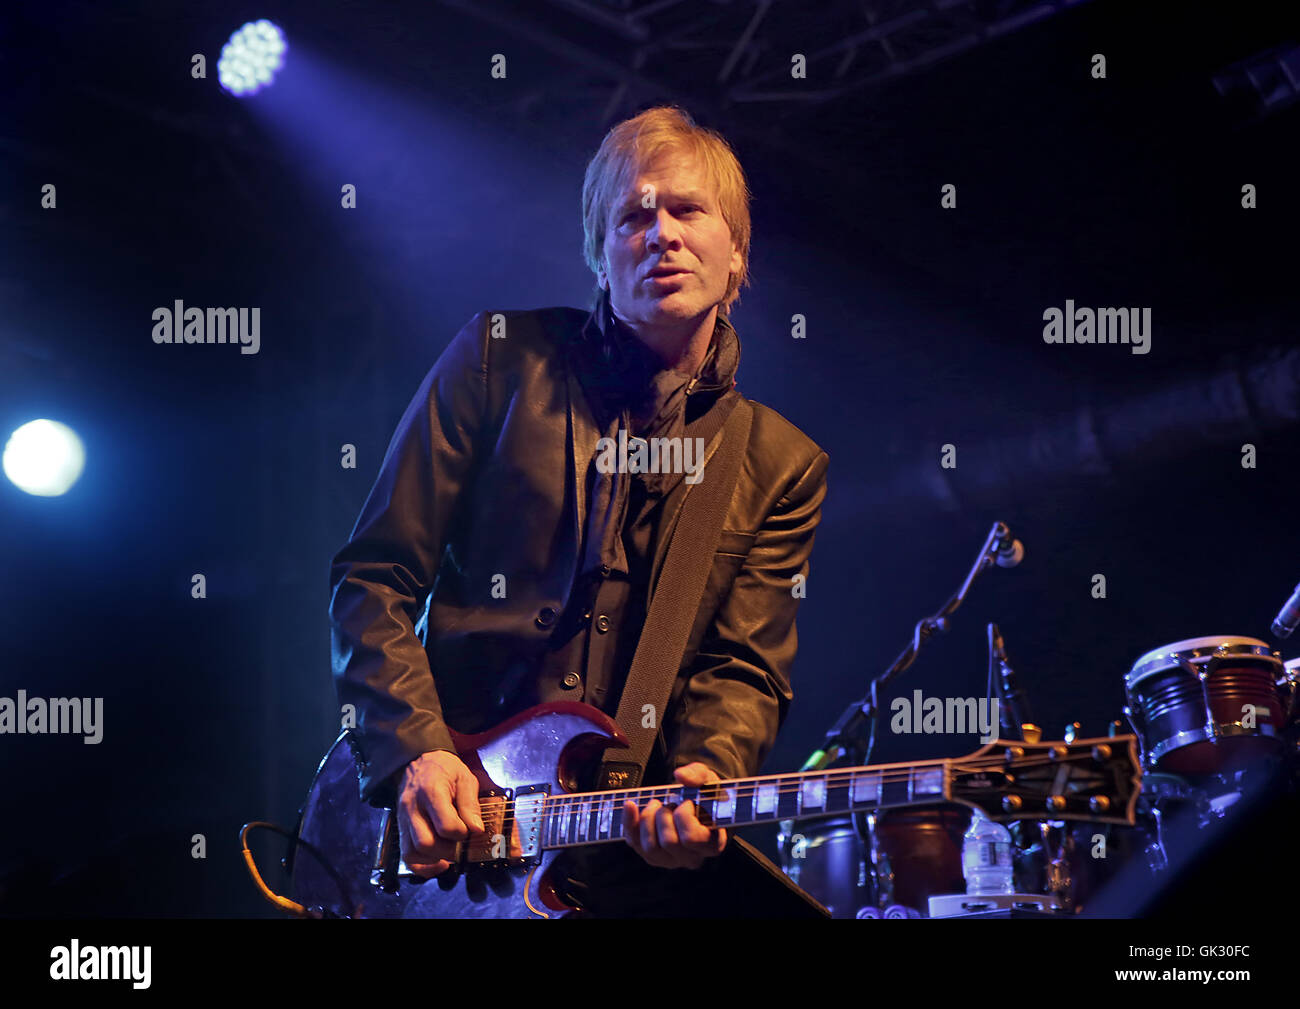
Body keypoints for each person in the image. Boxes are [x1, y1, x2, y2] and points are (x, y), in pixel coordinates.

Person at [328, 105, 829, 916]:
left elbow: (743, 666)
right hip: (444, 828)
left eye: (688, 210)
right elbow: (373, 576)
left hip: (608, 857)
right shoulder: (497, 361)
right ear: (600, 253)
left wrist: (709, 770)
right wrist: (414, 751)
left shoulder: (778, 464)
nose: (660, 232)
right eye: (634, 214)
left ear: (736, 252)